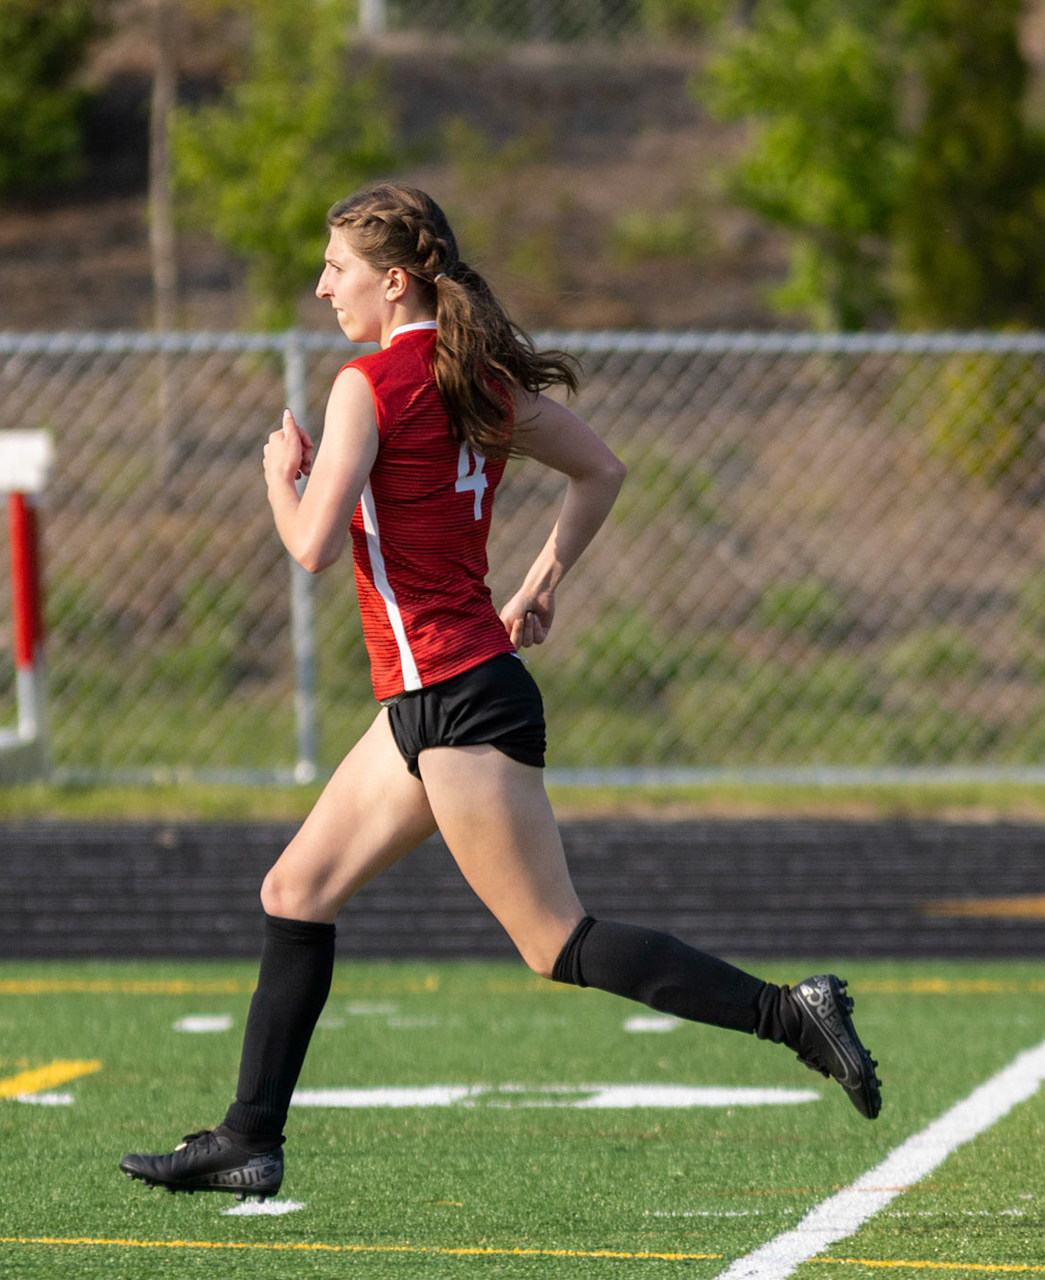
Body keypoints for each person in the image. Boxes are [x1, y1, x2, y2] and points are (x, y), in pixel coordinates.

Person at [119, 183, 880, 1201]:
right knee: (294, 893)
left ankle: (794, 1012)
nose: (323, 286)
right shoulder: (474, 379)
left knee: (556, 940)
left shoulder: (368, 384)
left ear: (394, 282)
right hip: (434, 698)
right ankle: (247, 1139)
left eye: (337, 269)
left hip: (459, 699)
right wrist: (538, 585)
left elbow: (310, 546)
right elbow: (601, 469)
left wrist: (279, 477)